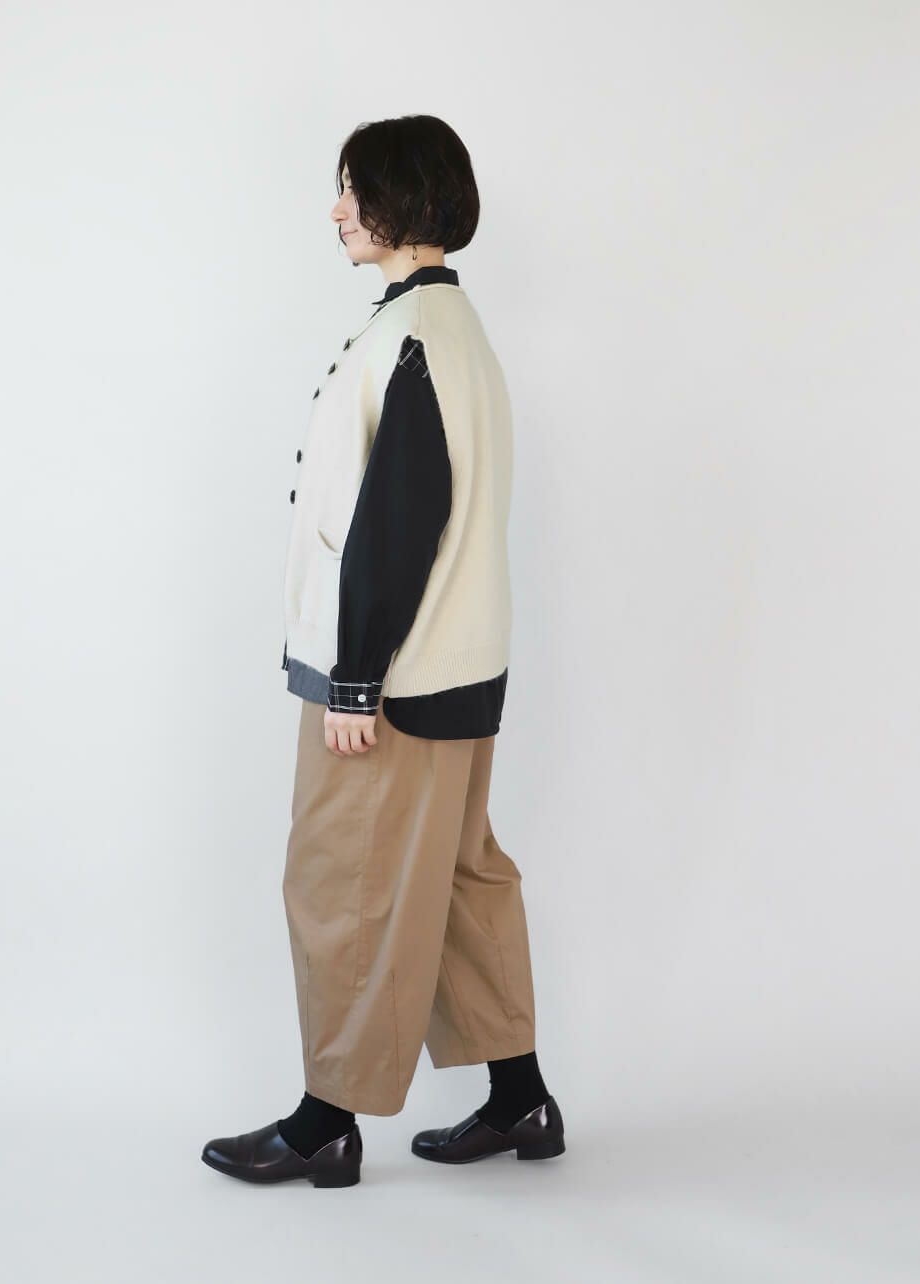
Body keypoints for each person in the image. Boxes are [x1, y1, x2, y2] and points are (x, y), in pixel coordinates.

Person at [201, 114, 564, 1188]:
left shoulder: (411, 337)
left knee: (342, 883)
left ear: (400, 200)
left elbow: (395, 524)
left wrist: (354, 681)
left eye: (351, 190)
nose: (335, 210)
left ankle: (325, 1123)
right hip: (460, 666)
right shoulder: (455, 330)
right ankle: (521, 1099)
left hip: (392, 681)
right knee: (457, 880)